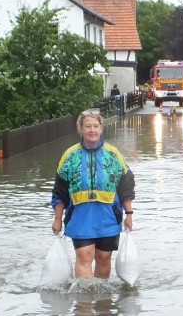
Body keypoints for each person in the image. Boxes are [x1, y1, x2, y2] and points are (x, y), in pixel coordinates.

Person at [51, 108, 135, 279]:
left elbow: (126, 187)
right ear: (80, 130)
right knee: (84, 256)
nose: (92, 130)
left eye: (96, 126)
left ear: (101, 128)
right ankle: (85, 303)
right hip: (80, 217)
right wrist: (57, 219)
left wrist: (129, 214)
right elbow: (59, 192)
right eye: (88, 126)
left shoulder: (113, 155)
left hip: (108, 216)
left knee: (104, 258)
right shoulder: (69, 156)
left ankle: (102, 303)